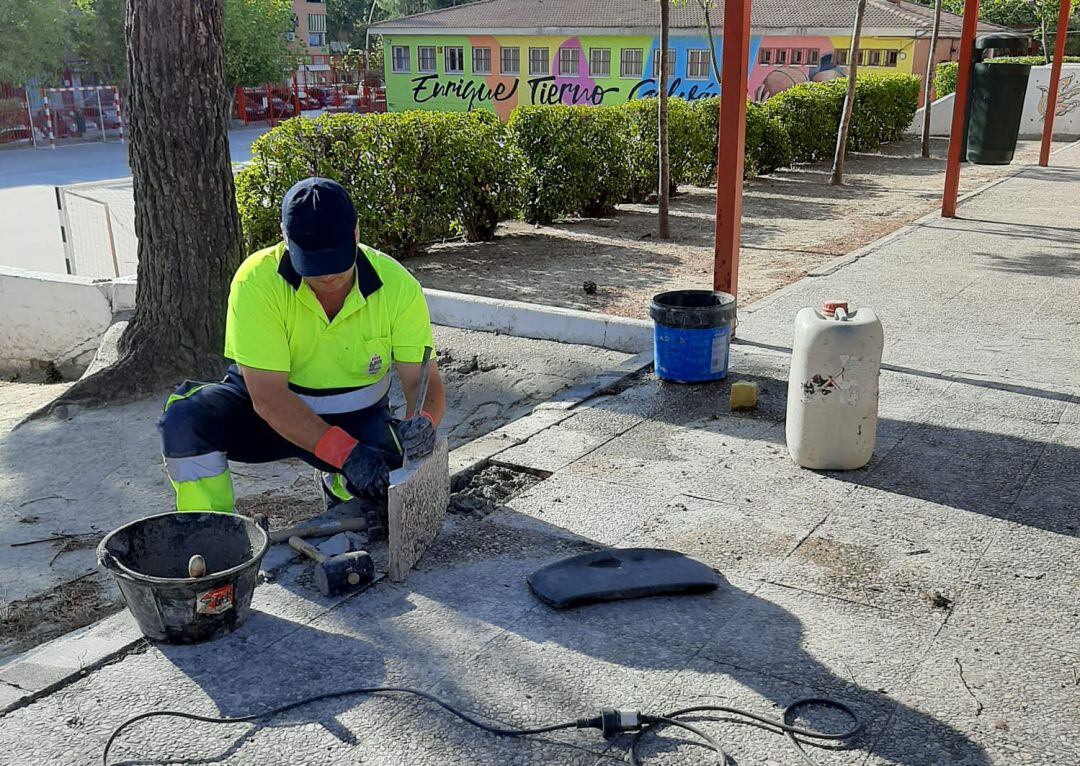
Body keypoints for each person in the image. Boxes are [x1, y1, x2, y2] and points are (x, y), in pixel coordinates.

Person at [158, 177, 445, 515]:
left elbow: (421, 380)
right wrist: (346, 454)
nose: (326, 278)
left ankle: (340, 484)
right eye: (313, 264)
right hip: (267, 419)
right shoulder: (257, 282)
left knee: (399, 475)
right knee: (186, 419)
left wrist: (424, 419)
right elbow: (269, 398)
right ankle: (209, 528)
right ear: (284, 238)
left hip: (356, 421)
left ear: (355, 234)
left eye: (335, 262)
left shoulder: (398, 287)